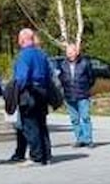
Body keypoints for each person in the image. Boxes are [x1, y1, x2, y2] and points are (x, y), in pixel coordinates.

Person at [11, 28, 52, 165]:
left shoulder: (24, 55)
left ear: (22, 39)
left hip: (29, 93)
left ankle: (36, 156)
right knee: (42, 125)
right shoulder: (41, 54)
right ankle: (46, 155)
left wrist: (16, 93)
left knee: (30, 125)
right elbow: (48, 75)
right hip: (43, 91)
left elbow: (21, 77)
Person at [58, 42, 96, 148]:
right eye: (67, 53)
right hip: (69, 96)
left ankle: (88, 140)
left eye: (71, 52)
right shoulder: (63, 64)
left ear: (77, 52)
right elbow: (61, 78)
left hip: (83, 95)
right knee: (74, 119)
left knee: (85, 117)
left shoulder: (85, 63)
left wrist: (86, 88)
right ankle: (80, 139)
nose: (69, 54)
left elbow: (91, 78)